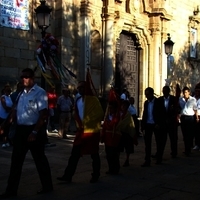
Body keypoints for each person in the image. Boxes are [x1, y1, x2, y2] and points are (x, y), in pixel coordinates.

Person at [0, 68, 53, 198]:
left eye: (27, 77)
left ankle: (47, 186)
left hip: (34, 130)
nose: (24, 79)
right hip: (21, 130)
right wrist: (4, 125)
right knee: (16, 161)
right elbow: (14, 112)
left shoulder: (40, 93)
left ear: (33, 78)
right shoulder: (20, 94)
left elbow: (43, 114)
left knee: (40, 159)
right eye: (22, 77)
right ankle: (11, 190)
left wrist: (34, 132)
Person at [57, 80, 104, 183]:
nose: (80, 89)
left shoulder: (94, 100)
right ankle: (68, 175)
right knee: (74, 154)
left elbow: (100, 114)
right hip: (81, 132)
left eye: (82, 87)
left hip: (91, 132)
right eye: (79, 88)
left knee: (94, 154)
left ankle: (95, 175)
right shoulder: (78, 100)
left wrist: (88, 122)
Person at [156, 86, 178, 163]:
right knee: (162, 140)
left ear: (169, 91)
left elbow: (177, 109)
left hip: (171, 122)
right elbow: (157, 112)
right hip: (163, 123)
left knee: (173, 138)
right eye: (163, 91)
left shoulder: (173, 99)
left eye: (166, 91)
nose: (164, 92)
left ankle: (174, 152)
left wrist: (172, 116)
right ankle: (159, 155)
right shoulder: (159, 100)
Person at [101, 101, 121, 174]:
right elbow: (104, 127)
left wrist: (108, 123)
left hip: (114, 138)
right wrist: (102, 136)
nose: (110, 109)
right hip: (107, 138)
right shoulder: (107, 115)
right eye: (109, 108)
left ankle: (116, 168)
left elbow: (113, 124)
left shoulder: (117, 116)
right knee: (108, 155)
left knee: (114, 155)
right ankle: (110, 168)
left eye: (111, 108)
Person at [141, 87, 159, 167]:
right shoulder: (146, 103)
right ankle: (147, 160)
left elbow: (161, 113)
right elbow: (144, 114)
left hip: (155, 124)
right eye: (145, 94)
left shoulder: (158, 102)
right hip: (148, 124)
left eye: (148, 94)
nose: (146, 96)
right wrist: (143, 126)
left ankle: (159, 157)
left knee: (158, 142)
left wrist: (158, 123)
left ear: (152, 94)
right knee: (147, 143)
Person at [179, 86, 198, 156]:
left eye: (186, 92)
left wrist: (197, 118)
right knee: (184, 134)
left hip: (190, 118)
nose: (185, 94)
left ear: (189, 92)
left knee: (189, 134)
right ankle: (186, 148)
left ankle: (188, 149)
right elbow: (179, 108)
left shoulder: (193, 100)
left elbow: (195, 109)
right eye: (184, 92)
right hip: (183, 118)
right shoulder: (180, 99)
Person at [119, 100, 137, 167]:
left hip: (127, 133)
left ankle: (127, 159)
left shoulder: (128, 115)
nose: (123, 107)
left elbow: (130, 124)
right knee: (119, 148)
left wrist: (133, 134)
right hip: (120, 133)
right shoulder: (119, 114)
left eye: (125, 106)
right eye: (122, 105)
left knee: (128, 148)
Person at [193, 86, 200, 150]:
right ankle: (197, 144)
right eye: (196, 91)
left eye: (198, 91)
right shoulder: (192, 99)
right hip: (194, 116)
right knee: (196, 131)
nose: (197, 92)